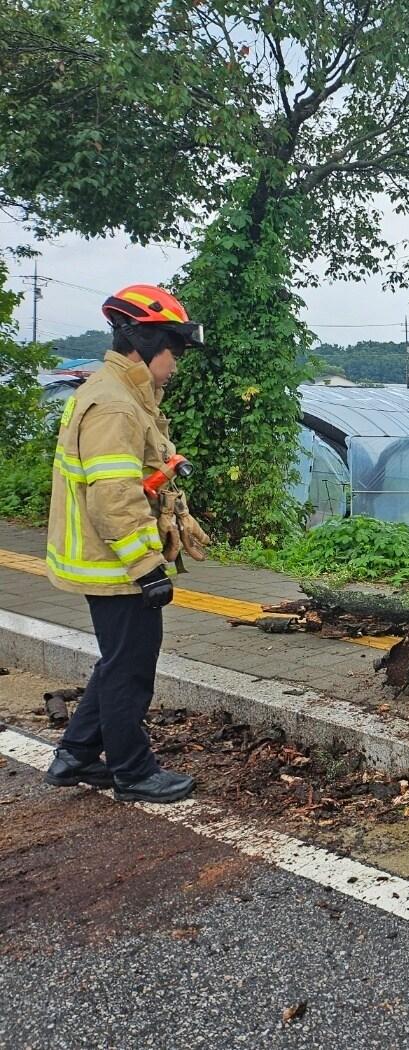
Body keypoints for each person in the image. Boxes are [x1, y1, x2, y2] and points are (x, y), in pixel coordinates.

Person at [42, 284, 209, 804]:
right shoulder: (115, 406)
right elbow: (114, 498)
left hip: (106, 558)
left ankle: (75, 755)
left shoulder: (118, 395)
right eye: (173, 351)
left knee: (118, 660)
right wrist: (147, 566)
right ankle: (133, 772)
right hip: (115, 563)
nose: (176, 365)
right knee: (131, 667)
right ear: (144, 343)